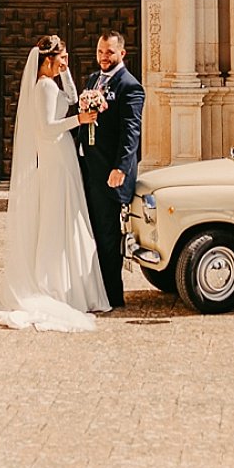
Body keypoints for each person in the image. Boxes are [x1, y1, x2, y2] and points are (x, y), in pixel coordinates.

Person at [0, 36, 110, 332]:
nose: (66, 61)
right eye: (61, 57)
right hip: (55, 155)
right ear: (47, 60)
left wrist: (66, 73)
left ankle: (71, 287)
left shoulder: (53, 82)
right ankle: (56, 287)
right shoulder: (43, 88)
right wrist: (80, 119)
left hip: (63, 154)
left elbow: (73, 97)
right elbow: (47, 128)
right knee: (58, 216)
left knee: (67, 213)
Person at [78, 31, 145, 309]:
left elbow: (131, 132)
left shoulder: (130, 86)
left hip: (109, 174)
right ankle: (93, 291)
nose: (104, 57)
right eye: (100, 52)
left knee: (107, 235)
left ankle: (112, 296)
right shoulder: (94, 79)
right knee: (90, 231)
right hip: (88, 169)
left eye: (110, 52)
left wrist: (121, 168)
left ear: (122, 54)